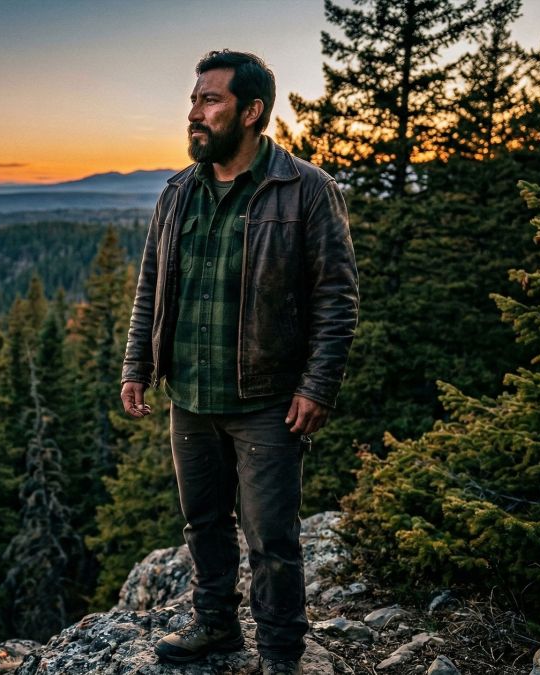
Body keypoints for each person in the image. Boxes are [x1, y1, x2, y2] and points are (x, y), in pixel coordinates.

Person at [119, 50, 359, 675]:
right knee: (203, 524)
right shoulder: (178, 192)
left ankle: (281, 654)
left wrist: (318, 385)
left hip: (266, 402)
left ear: (251, 112)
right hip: (190, 398)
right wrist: (136, 364)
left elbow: (337, 298)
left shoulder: (306, 190)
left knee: (272, 540)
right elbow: (152, 286)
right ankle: (217, 628)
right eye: (194, 99)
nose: (194, 112)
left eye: (210, 100)